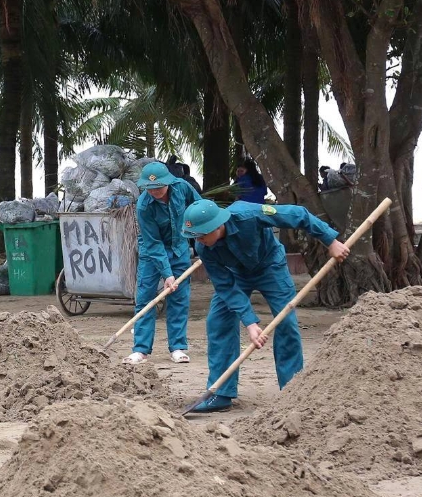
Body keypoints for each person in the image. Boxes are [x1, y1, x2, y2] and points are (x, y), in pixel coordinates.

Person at [182, 198, 350, 412]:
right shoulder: (204, 248)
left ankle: (292, 392)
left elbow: (298, 214)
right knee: (218, 321)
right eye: (196, 236)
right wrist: (251, 323)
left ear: (217, 225)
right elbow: (225, 287)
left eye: (203, 234)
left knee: (286, 323)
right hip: (237, 274)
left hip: (271, 267)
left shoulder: (249, 215)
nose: (200, 240)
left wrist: (330, 240)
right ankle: (221, 394)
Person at [124, 163, 201, 366]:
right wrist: (167, 274)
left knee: (179, 298)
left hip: (179, 248)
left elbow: (199, 208)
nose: (155, 191)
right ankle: (141, 349)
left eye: (159, 187)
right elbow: (154, 243)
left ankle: (177, 347)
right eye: (151, 188)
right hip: (152, 251)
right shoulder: (144, 206)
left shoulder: (182, 187)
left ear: (168, 182)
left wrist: (203, 242)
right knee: (145, 298)